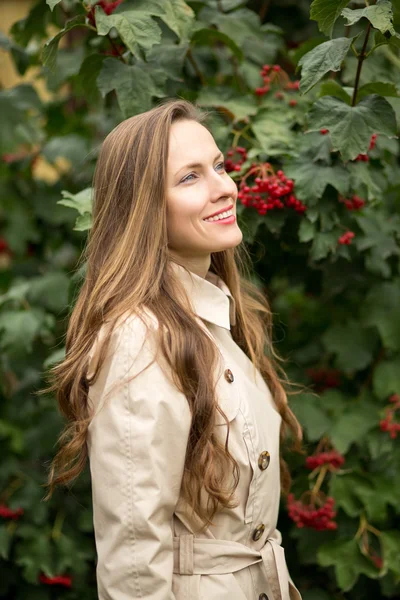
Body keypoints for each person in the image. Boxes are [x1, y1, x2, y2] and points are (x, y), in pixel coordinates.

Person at [42, 98, 303, 599]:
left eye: (219, 166)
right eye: (190, 178)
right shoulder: (138, 339)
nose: (224, 187)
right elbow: (135, 554)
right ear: (144, 211)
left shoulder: (217, 317)